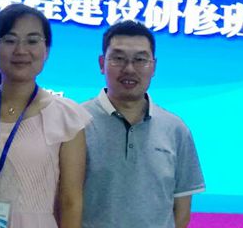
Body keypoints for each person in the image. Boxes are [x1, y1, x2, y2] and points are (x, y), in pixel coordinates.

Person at [0, 3, 91, 228]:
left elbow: (70, 202)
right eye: (10, 40)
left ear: (47, 50)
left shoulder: (66, 118)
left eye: (32, 41)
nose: (21, 50)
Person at [81, 20, 205, 228]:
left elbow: (181, 211)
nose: (129, 69)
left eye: (140, 59)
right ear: (102, 64)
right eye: (118, 58)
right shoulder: (76, 122)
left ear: (153, 66)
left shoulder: (175, 129)